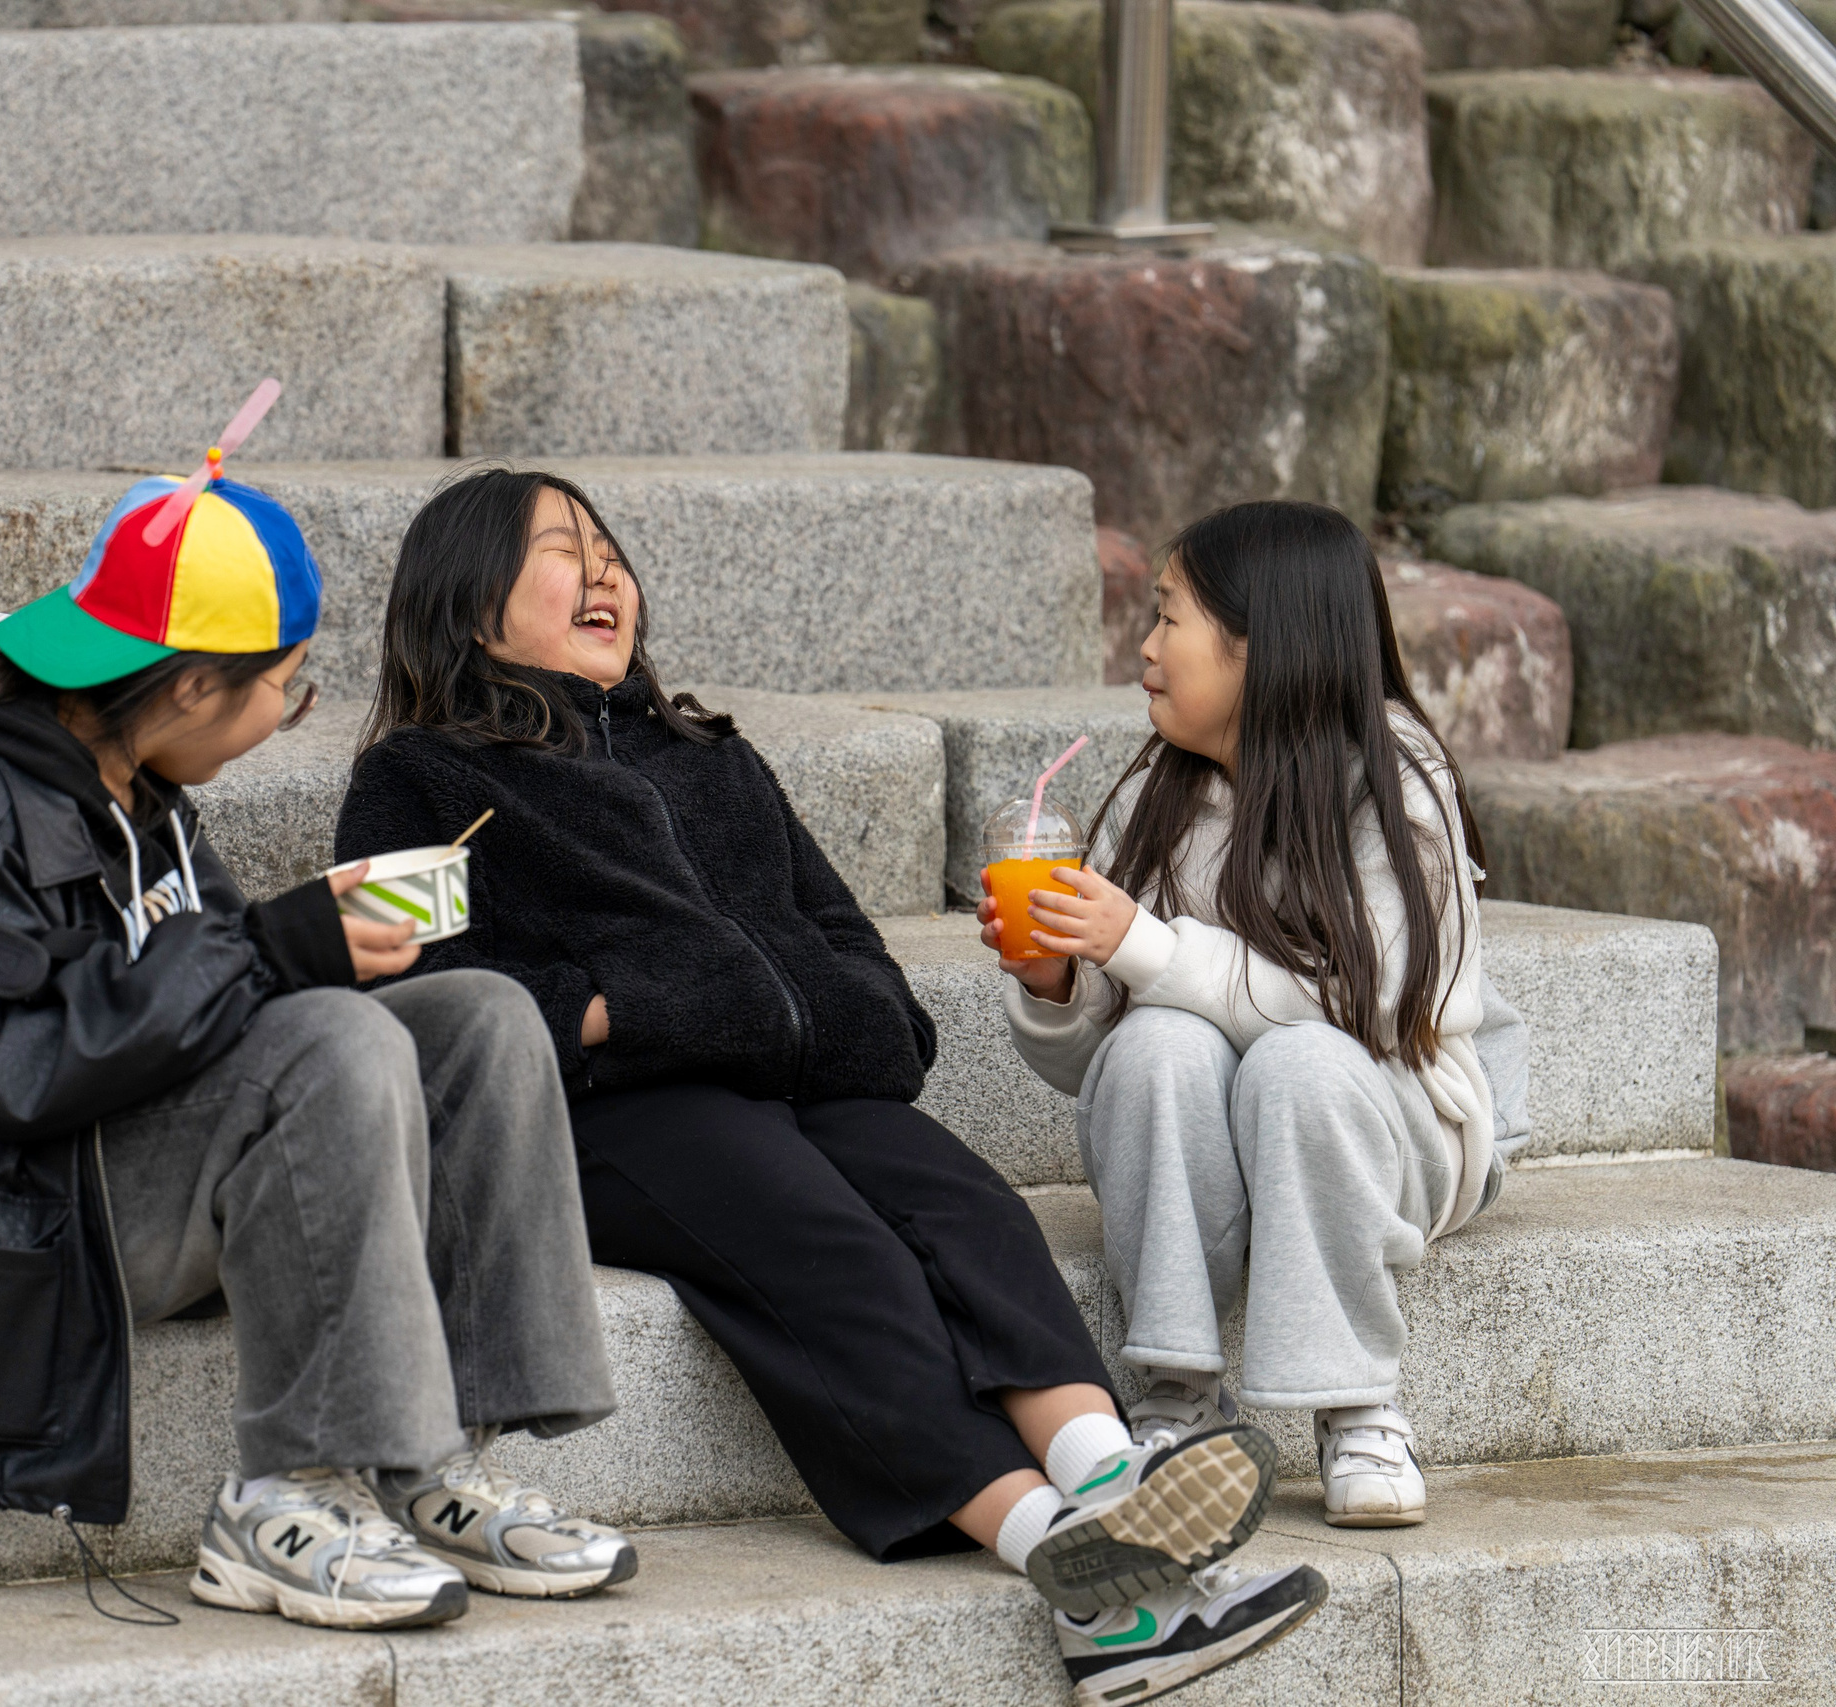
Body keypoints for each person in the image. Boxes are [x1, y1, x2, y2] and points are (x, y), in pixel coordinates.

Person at [336, 466, 1327, 1704]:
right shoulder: (422, 777)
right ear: (466, 607)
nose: (602, 573)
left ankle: (1109, 1480)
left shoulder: (713, 758)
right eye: (558, 550)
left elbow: (843, 943)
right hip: (612, 1105)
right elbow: (411, 1002)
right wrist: (620, 1013)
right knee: (826, 1247)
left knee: (963, 1203)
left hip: (801, 1083)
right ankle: (1061, 1562)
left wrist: (844, 1020)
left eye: (609, 550)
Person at [0, 467, 631, 1632]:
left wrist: (308, 941)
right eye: (285, 692)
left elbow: (215, 977)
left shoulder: (137, 781)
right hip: (8, 1215)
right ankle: (286, 1495)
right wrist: (283, 949)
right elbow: (3, 1069)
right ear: (193, 685)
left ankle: (436, 1464)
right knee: (331, 1042)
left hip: (124, 1160)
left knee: (479, 1016)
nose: (284, 717)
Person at [989, 499, 1532, 1531]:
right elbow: (1092, 1060)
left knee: (1302, 1064)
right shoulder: (1164, 786)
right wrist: (1056, 982)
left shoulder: (1395, 781)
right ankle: (1175, 1395)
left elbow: (1373, 1005)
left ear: (1258, 649)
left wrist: (1142, 946)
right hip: (1237, 1130)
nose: (1142, 649)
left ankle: (1357, 1400)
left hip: (1398, 1116)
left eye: (1166, 621)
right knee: (1151, 1044)